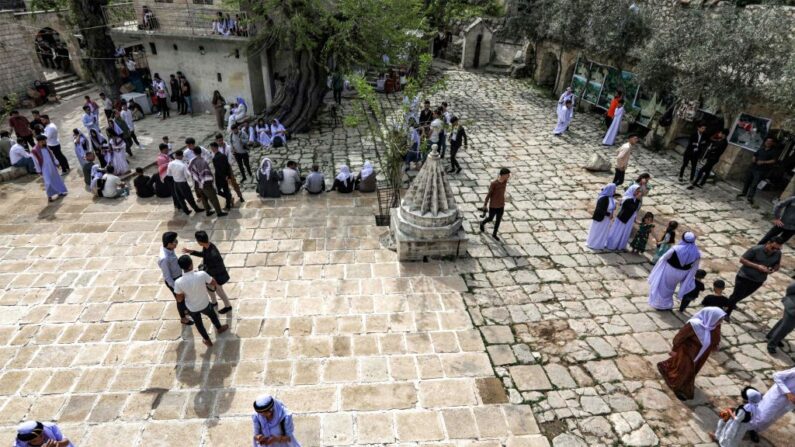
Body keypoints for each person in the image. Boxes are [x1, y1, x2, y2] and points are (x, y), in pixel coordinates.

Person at [657, 307, 726, 401]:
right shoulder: (694, 325)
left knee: (692, 368)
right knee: (685, 369)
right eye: (719, 319)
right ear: (711, 317)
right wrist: (675, 349)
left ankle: (675, 375)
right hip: (687, 352)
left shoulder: (715, 325)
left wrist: (714, 346)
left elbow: (716, 337)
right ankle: (679, 388)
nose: (721, 322)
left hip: (702, 354)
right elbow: (680, 337)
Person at [174, 254, 229, 347]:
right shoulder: (201, 274)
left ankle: (207, 340)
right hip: (204, 303)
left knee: (199, 324)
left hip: (192, 308)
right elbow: (213, 282)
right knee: (213, 315)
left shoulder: (178, 282)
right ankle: (219, 328)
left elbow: (179, 299)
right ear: (191, 264)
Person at [726, 238, 782, 321]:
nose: (775, 250)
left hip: (758, 280)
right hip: (744, 276)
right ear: (768, 242)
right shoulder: (756, 249)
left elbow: (776, 264)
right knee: (738, 295)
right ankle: (727, 312)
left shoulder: (778, 253)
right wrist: (757, 266)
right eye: (773, 248)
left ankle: (729, 302)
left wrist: (773, 269)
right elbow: (742, 260)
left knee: (742, 295)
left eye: (778, 249)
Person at [647, 232, 701, 311]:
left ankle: (660, 304)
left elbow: (664, 257)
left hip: (670, 270)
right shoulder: (697, 253)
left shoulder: (676, 249)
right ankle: (667, 304)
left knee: (663, 286)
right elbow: (695, 266)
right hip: (682, 274)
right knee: (671, 288)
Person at [183, 230, 232, 314]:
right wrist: (192, 252)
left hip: (216, 277)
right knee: (210, 290)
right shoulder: (208, 246)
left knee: (220, 293)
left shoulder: (213, 254)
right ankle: (214, 303)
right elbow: (204, 254)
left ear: (200, 241)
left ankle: (228, 306)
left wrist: (212, 278)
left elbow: (218, 267)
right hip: (210, 275)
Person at [157, 233, 193, 326]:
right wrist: (176, 288)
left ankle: (186, 310)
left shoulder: (169, 249)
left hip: (179, 276)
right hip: (173, 281)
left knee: (184, 296)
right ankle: (183, 318)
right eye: (175, 242)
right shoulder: (164, 259)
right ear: (169, 244)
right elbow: (167, 277)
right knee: (180, 299)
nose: (176, 243)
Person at [751, 367, 795, 435]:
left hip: (788, 404)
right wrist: (787, 393)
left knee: (772, 419)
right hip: (777, 396)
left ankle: (755, 430)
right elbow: (777, 376)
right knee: (763, 416)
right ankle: (745, 426)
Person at [737, 137, 779, 206]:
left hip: (761, 170)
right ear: (765, 142)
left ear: (772, 143)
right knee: (747, 181)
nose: (768, 142)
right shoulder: (761, 149)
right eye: (767, 141)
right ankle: (744, 193)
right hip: (753, 167)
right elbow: (755, 154)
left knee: (754, 184)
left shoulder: (773, 152)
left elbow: (774, 160)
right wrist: (753, 158)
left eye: (770, 141)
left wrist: (764, 162)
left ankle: (750, 197)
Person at [188, 146, 227, 217]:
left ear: (194, 153)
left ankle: (208, 211)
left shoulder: (192, 161)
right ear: (201, 151)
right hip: (206, 183)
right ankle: (219, 212)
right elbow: (207, 174)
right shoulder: (203, 161)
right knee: (213, 198)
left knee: (203, 198)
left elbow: (191, 171)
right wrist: (211, 181)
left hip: (197, 183)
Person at [605, 185, 643, 251]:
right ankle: (612, 245)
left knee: (625, 232)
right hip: (623, 219)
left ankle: (620, 245)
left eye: (639, 191)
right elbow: (633, 208)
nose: (638, 192)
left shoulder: (635, 199)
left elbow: (636, 210)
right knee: (618, 232)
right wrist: (637, 199)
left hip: (629, 219)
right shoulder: (627, 199)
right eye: (637, 190)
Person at [31, 135, 68, 203]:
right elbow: (35, 162)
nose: (44, 142)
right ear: (39, 142)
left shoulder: (46, 147)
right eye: (43, 141)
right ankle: (49, 196)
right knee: (48, 182)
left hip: (51, 165)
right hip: (44, 167)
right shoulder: (34, 151)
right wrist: (39, 170)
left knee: (56, 179)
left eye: (45, 141)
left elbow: (52, 155)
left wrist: (56, 162)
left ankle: (60, 192)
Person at [168, 150, 205, 215]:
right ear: (181, 156)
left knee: (179, 197)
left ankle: (186, 210)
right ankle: (196, 209)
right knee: (189, 196)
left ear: (175, 156)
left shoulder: (170, 163)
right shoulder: (183, 165)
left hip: (175, 182)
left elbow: (169, 174)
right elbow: (187, 175)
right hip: (183, 183)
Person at [480, 168, 510, 241]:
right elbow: (489, 195)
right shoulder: (494, 184)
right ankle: (482, 223)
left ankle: (494, 234)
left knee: (498, 220)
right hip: (493, 205)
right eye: (507, 174)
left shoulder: (505, 181)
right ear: (503, 175)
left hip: (501, 205)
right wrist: (485, 204)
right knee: (490, 218)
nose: (509, 176)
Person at [765, 281, 795, 354]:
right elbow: (791, 288)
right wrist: (790, 298)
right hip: (793, 308)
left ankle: (771, 335)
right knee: (786, 327)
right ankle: (772, 344)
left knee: (784, 322)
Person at [586, 183, 617, 250]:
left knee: (603, 232)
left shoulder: (611, 198)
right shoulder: (603, 198)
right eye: (614, 190)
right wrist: (609, 214)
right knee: (597, 231)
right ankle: (593, 244)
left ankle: (600, 244)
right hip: (601, 218)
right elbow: (599, 209)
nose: (615, 191)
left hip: (606, 219)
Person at [215, 133, 245, 202]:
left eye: (221, 140)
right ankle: (230, 198)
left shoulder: (227, 147)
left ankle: (240, 195)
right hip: (220, 169)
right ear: (216, 141)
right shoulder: (216, 148)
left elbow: (230, 158)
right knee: (225, 185)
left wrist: (226, 167)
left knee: (233, 182)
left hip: (228, 167)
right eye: (219, 141)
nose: (220, 142)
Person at [210, 142, 234, 210]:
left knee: (218, 191)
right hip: (225, 176)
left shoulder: (215, 158)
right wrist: (228, 176)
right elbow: (227, 166)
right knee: (226, 190)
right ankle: (229, 199)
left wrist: (224, 177)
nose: (211, 149)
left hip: (220, 177)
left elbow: (218, 170)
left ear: (214, 148)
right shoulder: (223, 155)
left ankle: (228, 200)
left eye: (212, 148)